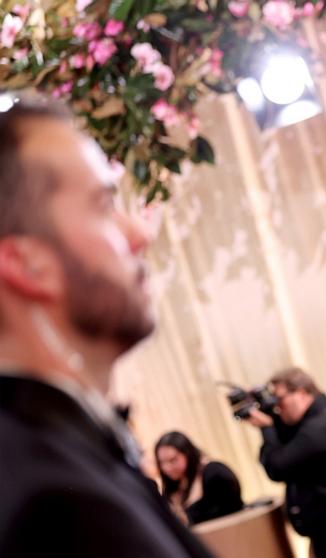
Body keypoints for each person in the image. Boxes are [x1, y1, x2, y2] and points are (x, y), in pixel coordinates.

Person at [0, 100, 213, 557]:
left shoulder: (63, 449)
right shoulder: (50, 505)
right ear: (26, 264)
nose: (139, 234)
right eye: (103, 205)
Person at [245, 367, 326, 558]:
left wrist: (267, 428)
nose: (277, 407)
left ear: (302, 393)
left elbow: (277, 468)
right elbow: (291, 440)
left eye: (280, 399)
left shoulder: (319, 430)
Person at [155, 431, 244, 526]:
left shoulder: (214, 472)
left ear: (187, 453)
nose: (166, 468)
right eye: (162, 463)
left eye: (173, 460)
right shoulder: (172, 486)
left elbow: (228, 510)